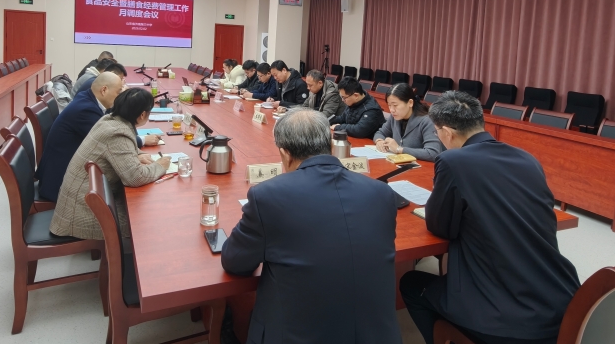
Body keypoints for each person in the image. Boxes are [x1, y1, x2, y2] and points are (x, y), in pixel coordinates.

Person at [400, 91, 580, 344]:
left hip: (506, 320)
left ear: (447, 133)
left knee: (410, 283)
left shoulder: (452, 160)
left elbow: (440, 226)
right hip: (562, 303)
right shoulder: (527, 158)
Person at [221, 108, 402, 344]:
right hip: (378, 335)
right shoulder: (382, 192)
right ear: (330, 145)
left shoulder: (267, 196)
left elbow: (235, 262)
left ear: (285, 154)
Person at [50, 89, 172, 239]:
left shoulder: (109, 120)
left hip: (80, 203)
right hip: (82, 215)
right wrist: (160, 165)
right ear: (142, 115)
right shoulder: (118, 133)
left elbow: (121, 148)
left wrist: (138, 155)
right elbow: (135, 177)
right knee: (151, 220)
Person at [35, 73, 160, 202]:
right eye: (119, 92)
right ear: (104, 90)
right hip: (60, 183)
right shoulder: (86, 110)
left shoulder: (88, 100)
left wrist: (135, 155)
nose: (121, 97)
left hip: (66, 173)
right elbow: (113, 140)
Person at [373, 83, 442, 161]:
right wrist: (379, 141)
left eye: (395, 105)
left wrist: (399, 149)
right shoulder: (394, 117)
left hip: (420, 166)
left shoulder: (427, 121)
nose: (392, 110)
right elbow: (380, 133)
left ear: (410, 103)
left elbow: (433, 153)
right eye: (389, 105)